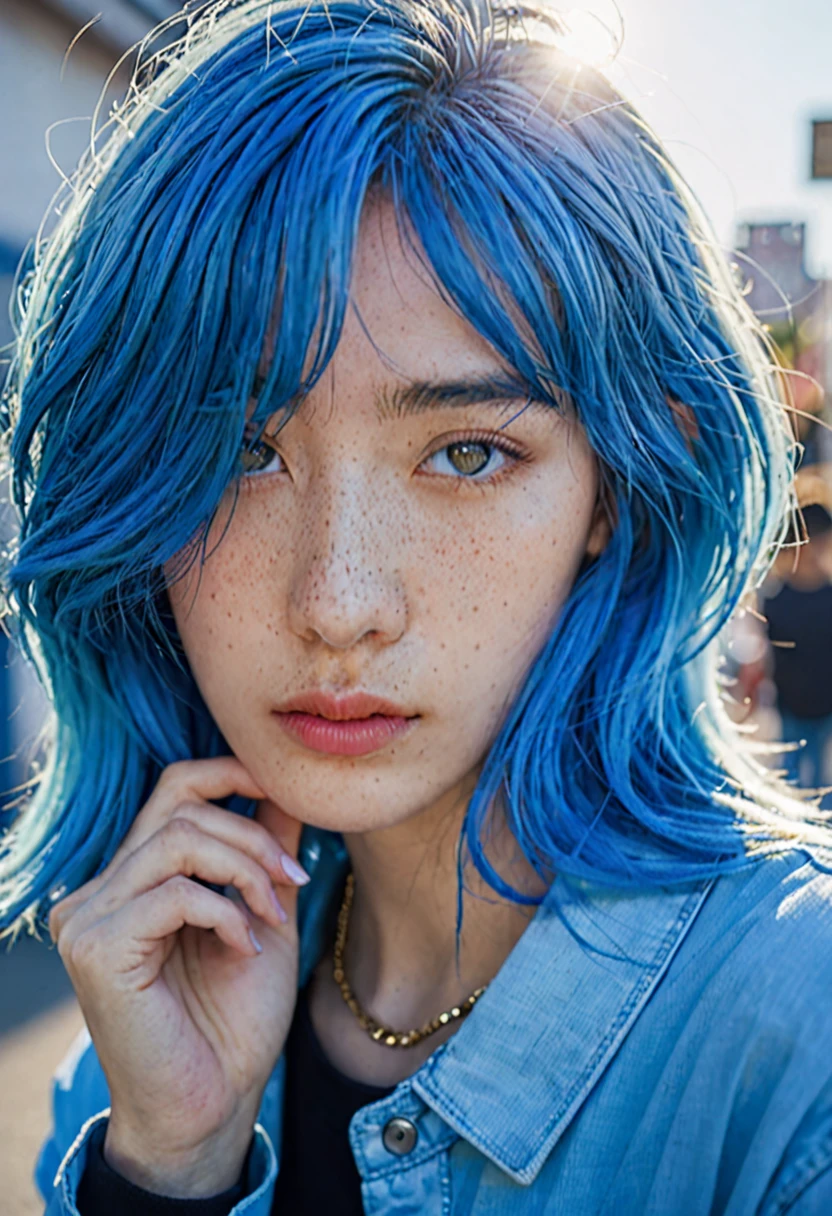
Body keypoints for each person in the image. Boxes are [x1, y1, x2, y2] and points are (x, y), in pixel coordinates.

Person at [1, 1, 832, 1213]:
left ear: (618, 483)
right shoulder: (139, 1034)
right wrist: (171, 1169)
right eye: (240, 451)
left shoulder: (795, 1054)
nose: (338, 604)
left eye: (466, 455)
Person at [764, 501, 832, 793]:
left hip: (826, 706)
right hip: (790, 704)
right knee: (790, 776)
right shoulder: (777, 599)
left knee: (820, 777)